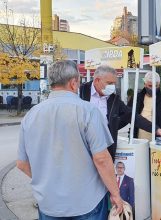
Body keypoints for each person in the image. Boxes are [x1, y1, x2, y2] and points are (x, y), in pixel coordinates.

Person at [16, 60, 124, 219]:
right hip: (86, 203)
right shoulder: (88, 111)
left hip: (48, 204)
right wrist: (115, 194)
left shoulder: (31, 115)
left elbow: (22, 164)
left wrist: (48, 179)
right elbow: (101, 158)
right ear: (73, 83)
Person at [79, 65, 161, 160]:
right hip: (81, 147)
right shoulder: (80, 92)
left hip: (104, 149)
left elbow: (132, 116)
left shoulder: (114, 99)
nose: (112, 87)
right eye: (109, 83)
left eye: (114, 83)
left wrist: (156, 129)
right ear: (97, 80)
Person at [131, 71, 161, 141]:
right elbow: (129, 116)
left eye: (155, 86)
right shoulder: (136, 98)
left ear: (159, 84)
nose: (152, 88)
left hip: (158, 141)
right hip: (139, 140)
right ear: (145, 84)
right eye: (150, 86)